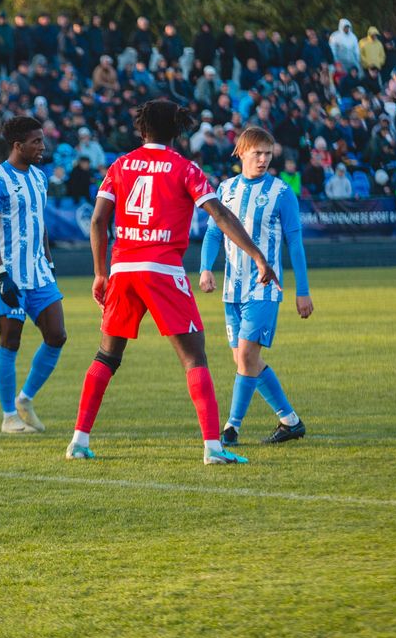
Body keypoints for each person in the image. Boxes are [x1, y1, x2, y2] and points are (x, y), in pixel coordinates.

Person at [67, 99, 277, 463]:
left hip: (123, 270)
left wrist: (101, 273)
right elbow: (221, 214)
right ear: (177, 131)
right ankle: (213, 448)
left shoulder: (119, 165)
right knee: (194, 358)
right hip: (162, 270)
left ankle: (78, 441)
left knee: (106, 356)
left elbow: (99, 220)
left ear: (142, 129)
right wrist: (257, 255)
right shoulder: (184, 168)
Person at [198, 126, 313, 446]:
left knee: (247, 356)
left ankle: (231, 429)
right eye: (257, 153)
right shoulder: (226, 189)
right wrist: (206, 268)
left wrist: (302, 290)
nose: (263, 160)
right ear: (241, 153)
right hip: (232, 288)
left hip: (264, 287)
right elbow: (212, 233)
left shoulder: (280, 192)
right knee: (245, 362)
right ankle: (290, 421)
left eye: (267, 154)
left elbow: (295, 243)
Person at [0, 116, 67, 435]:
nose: (42, 147)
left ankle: (25, 399)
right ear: (18, 146)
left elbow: (39, 223)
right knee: (10, 341)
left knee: (57, 335)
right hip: (10, 274)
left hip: (40, 273)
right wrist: (1, 274)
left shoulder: (39, 178)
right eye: (36, 142)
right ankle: (8, 417)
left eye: (42, 140)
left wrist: (49, 260)